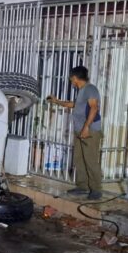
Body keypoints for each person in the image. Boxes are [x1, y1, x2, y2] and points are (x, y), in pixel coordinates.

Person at [47, 65, 103, 200]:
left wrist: (86, 127)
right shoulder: (82, 91)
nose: (71, 82)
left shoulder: (90, 89)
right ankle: (82, 186)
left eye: (71, 79)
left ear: (75, 78)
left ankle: (96, 189)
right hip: (80, 130)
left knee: (90, 160)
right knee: (79, 159)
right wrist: (57, 101)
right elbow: (74, 105)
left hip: (90, 130)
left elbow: (94, 108)